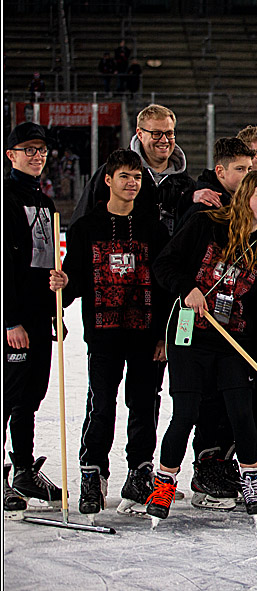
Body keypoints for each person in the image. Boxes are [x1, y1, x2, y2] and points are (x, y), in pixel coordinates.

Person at [148, 171, 257, 523]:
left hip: (231, 342)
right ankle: (163, 483)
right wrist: (186, 287)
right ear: (244, 197)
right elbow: (164, 264)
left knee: (242, 411)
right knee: (186, 412)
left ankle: (252, 482)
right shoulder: (205, 224)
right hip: (189, 334)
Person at [47, 149, 171, 517]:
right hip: (103, 333)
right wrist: (63, 285)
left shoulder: (154, 228)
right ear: (108, 180)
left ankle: (139, 471)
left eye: (136, 178)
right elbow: (76, 282)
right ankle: (93, 473)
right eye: (124, 177)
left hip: (146, 334)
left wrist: (164, 336)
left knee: (144, 403)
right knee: (101, 404)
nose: (131, 184)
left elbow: (165, 287)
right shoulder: (87, 227)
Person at [3, 122, 62, 513]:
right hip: (16, 319)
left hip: (40, 316)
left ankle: (23, 468)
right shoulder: (6, 196)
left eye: (41, 150)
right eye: (29, 149)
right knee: (9, 396)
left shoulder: (44, 201)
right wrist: (10, 319)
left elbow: (44, 260)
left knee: (30, 397)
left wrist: (55, 304)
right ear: (11, 155)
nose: (37, 156)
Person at [72, 104, 205, 237]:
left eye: (169, 133)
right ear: (140, 134)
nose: (164, 140)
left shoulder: (186, 184)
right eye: (156, 134)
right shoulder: (112, 174)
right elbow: (81, 224)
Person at [176, 137, 254, 227]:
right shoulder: (205, 209)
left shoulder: (246, 201)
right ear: (220, 171)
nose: (247, 175)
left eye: (249, 169)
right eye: (240, 169)